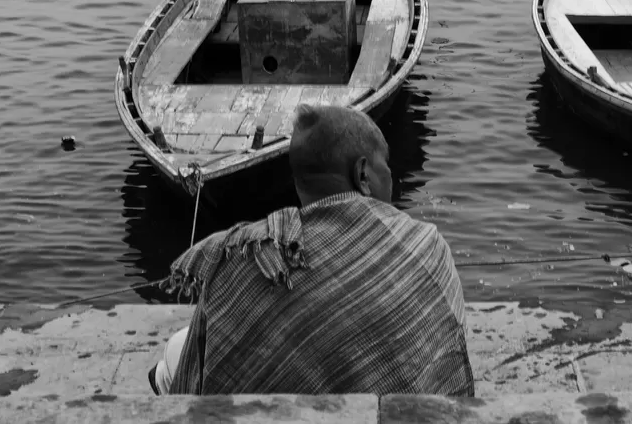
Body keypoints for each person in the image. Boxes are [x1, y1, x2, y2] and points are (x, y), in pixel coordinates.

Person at [149, 104, 474, 396]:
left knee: (174, 356)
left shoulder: (239, 256)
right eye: (385, 167)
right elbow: (447, 363)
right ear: (362, 174)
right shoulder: (426, 245)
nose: (391, 178)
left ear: (300, 182)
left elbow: (197, 381)